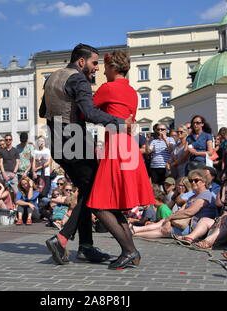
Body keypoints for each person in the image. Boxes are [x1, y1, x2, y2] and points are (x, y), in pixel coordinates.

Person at [40, 43, 133, 265]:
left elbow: (43, 111)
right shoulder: (78, 79)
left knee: (86, 191)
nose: (96, 68)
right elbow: (89, 113)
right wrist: (119, 122)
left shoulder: (52, 77)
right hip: (75, 141)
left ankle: (85, 246)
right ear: (81, 61)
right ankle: (63, 238)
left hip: (57, 141)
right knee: (93, 191)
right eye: (93, 63)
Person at [86, 50, 155, 269]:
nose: (103, 72)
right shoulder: (133, 92)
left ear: (113, 68)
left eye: (105, 68)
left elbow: (86, 110)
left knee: (98, 205)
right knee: (114, 206)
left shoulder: (108, 88)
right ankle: (131, 254)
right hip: (128, 146)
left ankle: (129, 250)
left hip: (115, 147)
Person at [131, 170, 216, 240]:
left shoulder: (206, 195)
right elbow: (181, 210)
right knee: (162, 222)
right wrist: (169, 220)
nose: (193, 182)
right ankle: (135, 230)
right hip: (184, 223)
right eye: (191, 181)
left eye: (196, 180)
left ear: (204, 182)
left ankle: (134, 233)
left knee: (163, 230)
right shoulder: (194, 196)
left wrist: (170, 218)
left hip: (193, 227)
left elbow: (189, 212)